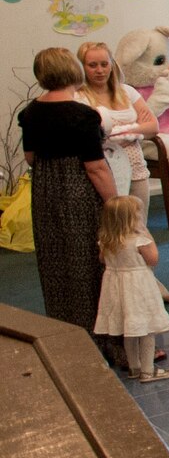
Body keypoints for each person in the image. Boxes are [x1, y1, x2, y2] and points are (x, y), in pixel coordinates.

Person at [20, 48, 118, 358]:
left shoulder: (30, 112)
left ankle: (66, 337)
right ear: (73, 70)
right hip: (79, 192)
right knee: (91, 263)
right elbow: (96, 167)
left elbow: (31, 158)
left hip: (46, 193)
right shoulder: (82, 116)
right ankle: (100, 339)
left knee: (55, 262)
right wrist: (115, 204)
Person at [94, 195, 169, 382]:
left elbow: (102, 260)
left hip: (116, 288)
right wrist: (149, 237)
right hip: (138, 288)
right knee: (146, 329)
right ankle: (148, 370)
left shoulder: (107, 240)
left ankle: (134, 367)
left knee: (128, 329)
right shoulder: (139, 240)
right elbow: (153, 259)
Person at [78, 40, 157, 200]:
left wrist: (118, 131)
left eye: (104, 64)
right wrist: (135, 128)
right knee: (112, 220)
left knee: (139, 219)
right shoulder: (79, 97)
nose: (100, 70)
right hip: (103, 168)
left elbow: (153, 127)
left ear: (111, 65)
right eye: (93, 65)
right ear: (82, 68)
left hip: (135, 164)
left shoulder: (127, 91)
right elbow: (91, 136)